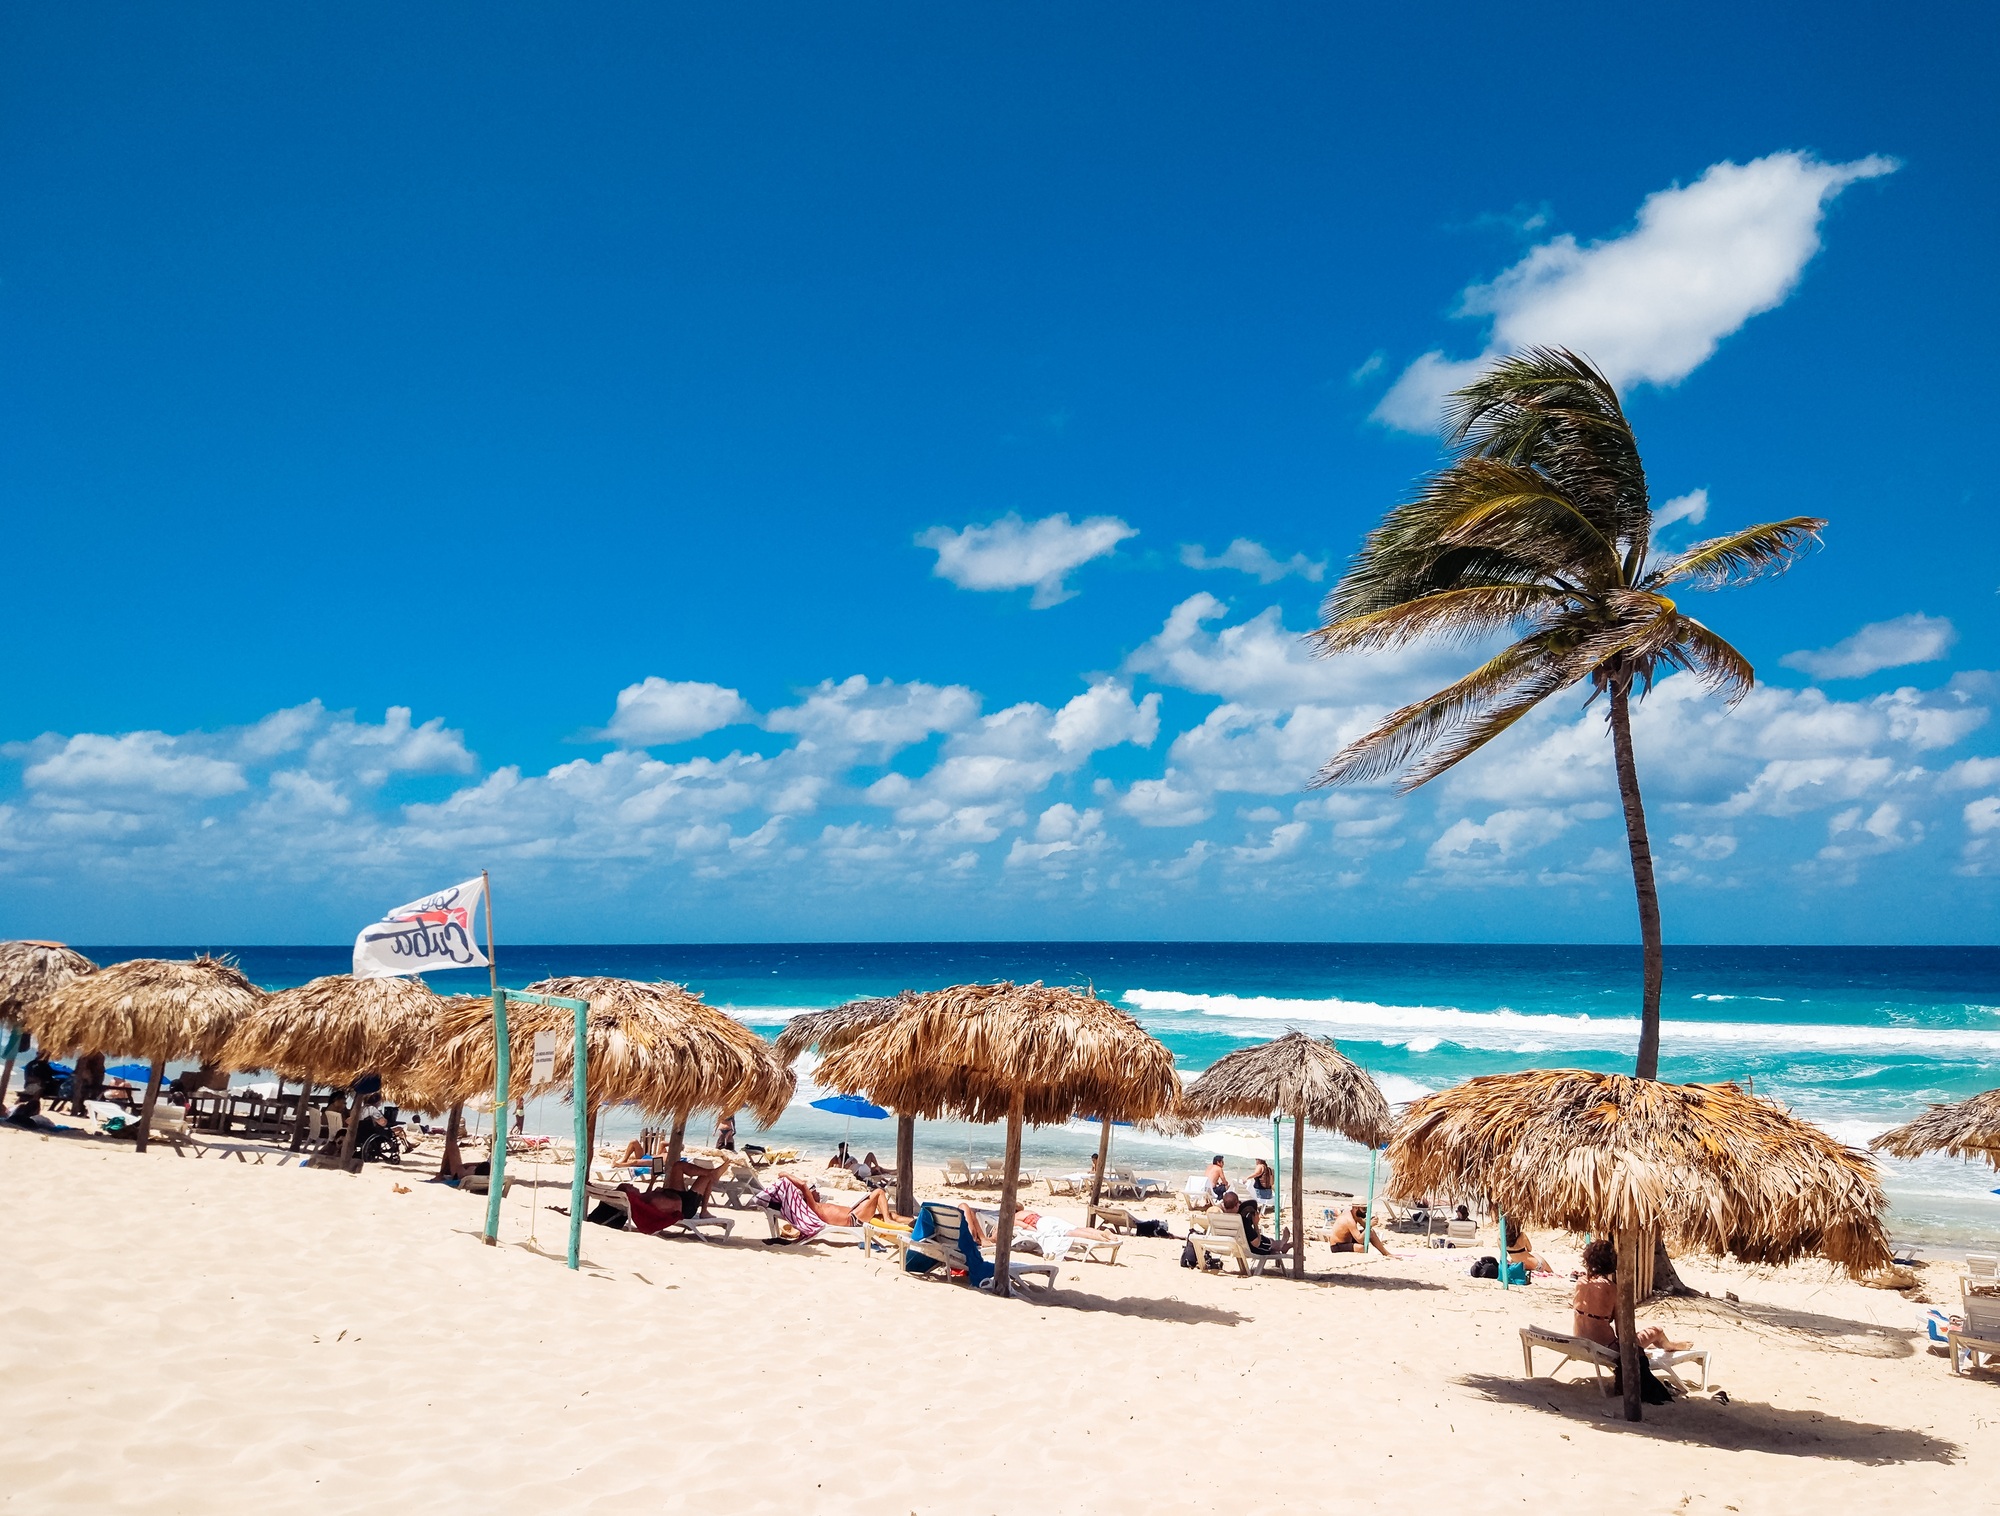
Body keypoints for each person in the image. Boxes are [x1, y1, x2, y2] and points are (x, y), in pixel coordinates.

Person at [1573, 1239, 1688, 1354]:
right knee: (1657, 1331)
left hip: (1579, 1342)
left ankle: (1655, 1345)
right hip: (1606, 1348)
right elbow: (1622, 1331)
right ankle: (1669, 1345)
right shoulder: (1612, 1289)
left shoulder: (1580, 1283)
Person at [1327, 1203, 1392, 1257]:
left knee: (1371, 1232)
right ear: (1356, 1208)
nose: (1365, 1211)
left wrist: (1370, 1221)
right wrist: (1370, 1225)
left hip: (1348, 1240)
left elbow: (1365, 1225)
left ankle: (1386, 1253)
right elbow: (1360, 1240)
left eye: (1366, 1209)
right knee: (1362, 1248)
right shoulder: (1349, 1220)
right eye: (1364, 1209)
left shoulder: (1355, 1215)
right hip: (1338, 1245)